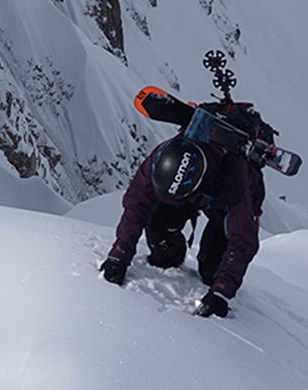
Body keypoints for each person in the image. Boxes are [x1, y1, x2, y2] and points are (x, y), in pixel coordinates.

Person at [99, 121, 266, 318]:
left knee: (212, 271)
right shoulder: (159, 160)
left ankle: (211, 267)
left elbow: (243, 240)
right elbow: (136, 205)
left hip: (222, 202)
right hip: (189, 191)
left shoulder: (234, 178)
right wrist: (119, 254)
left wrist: (221, 292)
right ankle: (171, 252)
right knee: (162, 248)